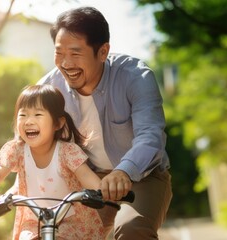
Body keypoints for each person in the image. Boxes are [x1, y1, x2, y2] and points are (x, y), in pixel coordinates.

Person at [38, 6, 173, 239]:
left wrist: (124, 171)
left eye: (76, 53)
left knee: (132, 229)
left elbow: (150, 136)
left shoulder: (135, 77)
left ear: (102, 52)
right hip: (88, 181)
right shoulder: (49, 90)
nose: (66, 63)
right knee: (60, 233)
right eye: (59, 53)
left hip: (143, 175)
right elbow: (32, 141)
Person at [0, 84, 104, 239]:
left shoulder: (67, 152)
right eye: (22, 115)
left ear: (58, 123)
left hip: (71, 222)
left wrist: (103, 191)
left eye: (37, 114)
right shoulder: (17, 151)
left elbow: (86, 176)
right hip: (33, 221)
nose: (29, 121)